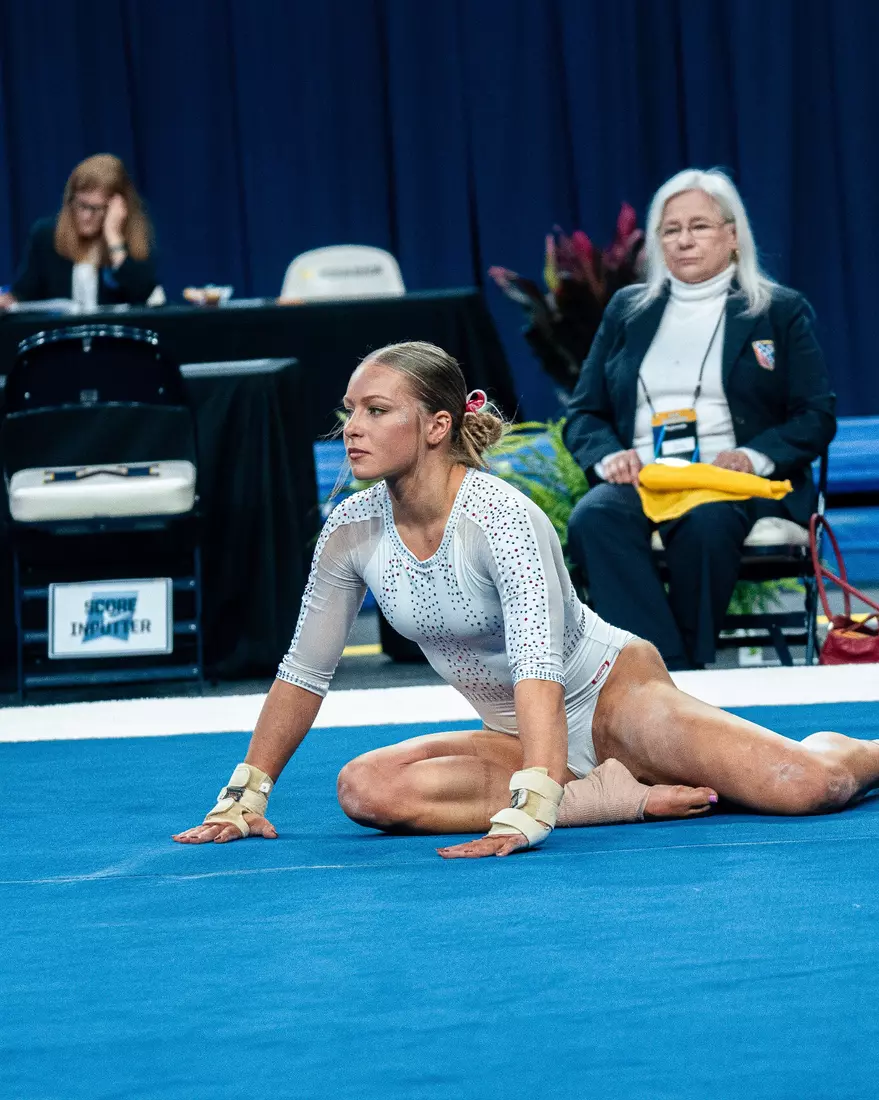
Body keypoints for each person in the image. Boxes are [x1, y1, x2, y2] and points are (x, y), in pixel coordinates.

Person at [173, 341, 879, 859]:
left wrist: (530, 810)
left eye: (376, 410)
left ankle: (862, 751)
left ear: (436, 426)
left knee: (804, 785)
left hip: (611, 700)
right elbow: (303, 671)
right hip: (513, 730)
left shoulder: (500, 517)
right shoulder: (352, 528)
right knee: (365, 788)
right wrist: (246, 795)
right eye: (349, 409)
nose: (350, 427)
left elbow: (535, 664)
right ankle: (616, 801)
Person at [563, 168, 836, 670]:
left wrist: (754, 457)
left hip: (728, 481)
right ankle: (665, 670)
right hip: (645, 476)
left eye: (700, 227)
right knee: (593, 519)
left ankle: (674, 673)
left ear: (732, 235)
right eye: (671, 229)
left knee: (706, 523)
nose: (684, 240)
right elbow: (584, 412)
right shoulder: (628, 310)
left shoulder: (776, 310)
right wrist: (607, 458)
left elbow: (815, 414)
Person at [0, 153, 158, 311]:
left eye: (96, 208)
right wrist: (7, 301)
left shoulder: (131, 242)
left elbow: (141, 296)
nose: (85, 216)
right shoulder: (46, 236)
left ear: (117, 208)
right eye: (81, 205)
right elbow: (23, 296)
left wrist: (114, 238)